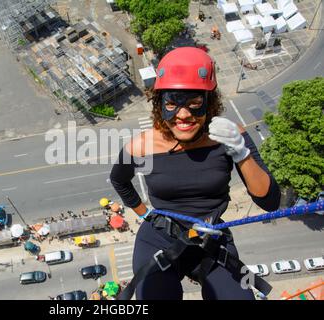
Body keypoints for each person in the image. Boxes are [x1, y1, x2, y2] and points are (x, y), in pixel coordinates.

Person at [109, 47, 280, 300]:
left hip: (211, 239)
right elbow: (119, 180)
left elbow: (270, 202)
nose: (184, 114)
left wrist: (241, 153)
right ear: (159, 104)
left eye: (195, 104)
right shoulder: (143, 145)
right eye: (172, 104)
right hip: (160, 238)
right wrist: (146, 214)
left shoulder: (229, 136)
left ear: (209, 103)